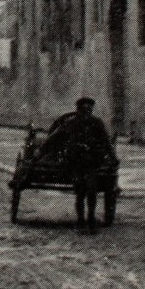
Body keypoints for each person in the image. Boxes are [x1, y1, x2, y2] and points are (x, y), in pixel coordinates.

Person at [52, 97, 116, 233]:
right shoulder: (71, 123)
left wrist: (113, 157)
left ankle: (91, 219)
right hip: (75, 163)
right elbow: (55, 137)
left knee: (91, 191)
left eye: (89, 110)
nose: (86, 113)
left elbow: (105, 141)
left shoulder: (97, 123)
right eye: (83, 110)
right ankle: (81, 220)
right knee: (80, 192)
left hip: (91, 163)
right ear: (78, 110)